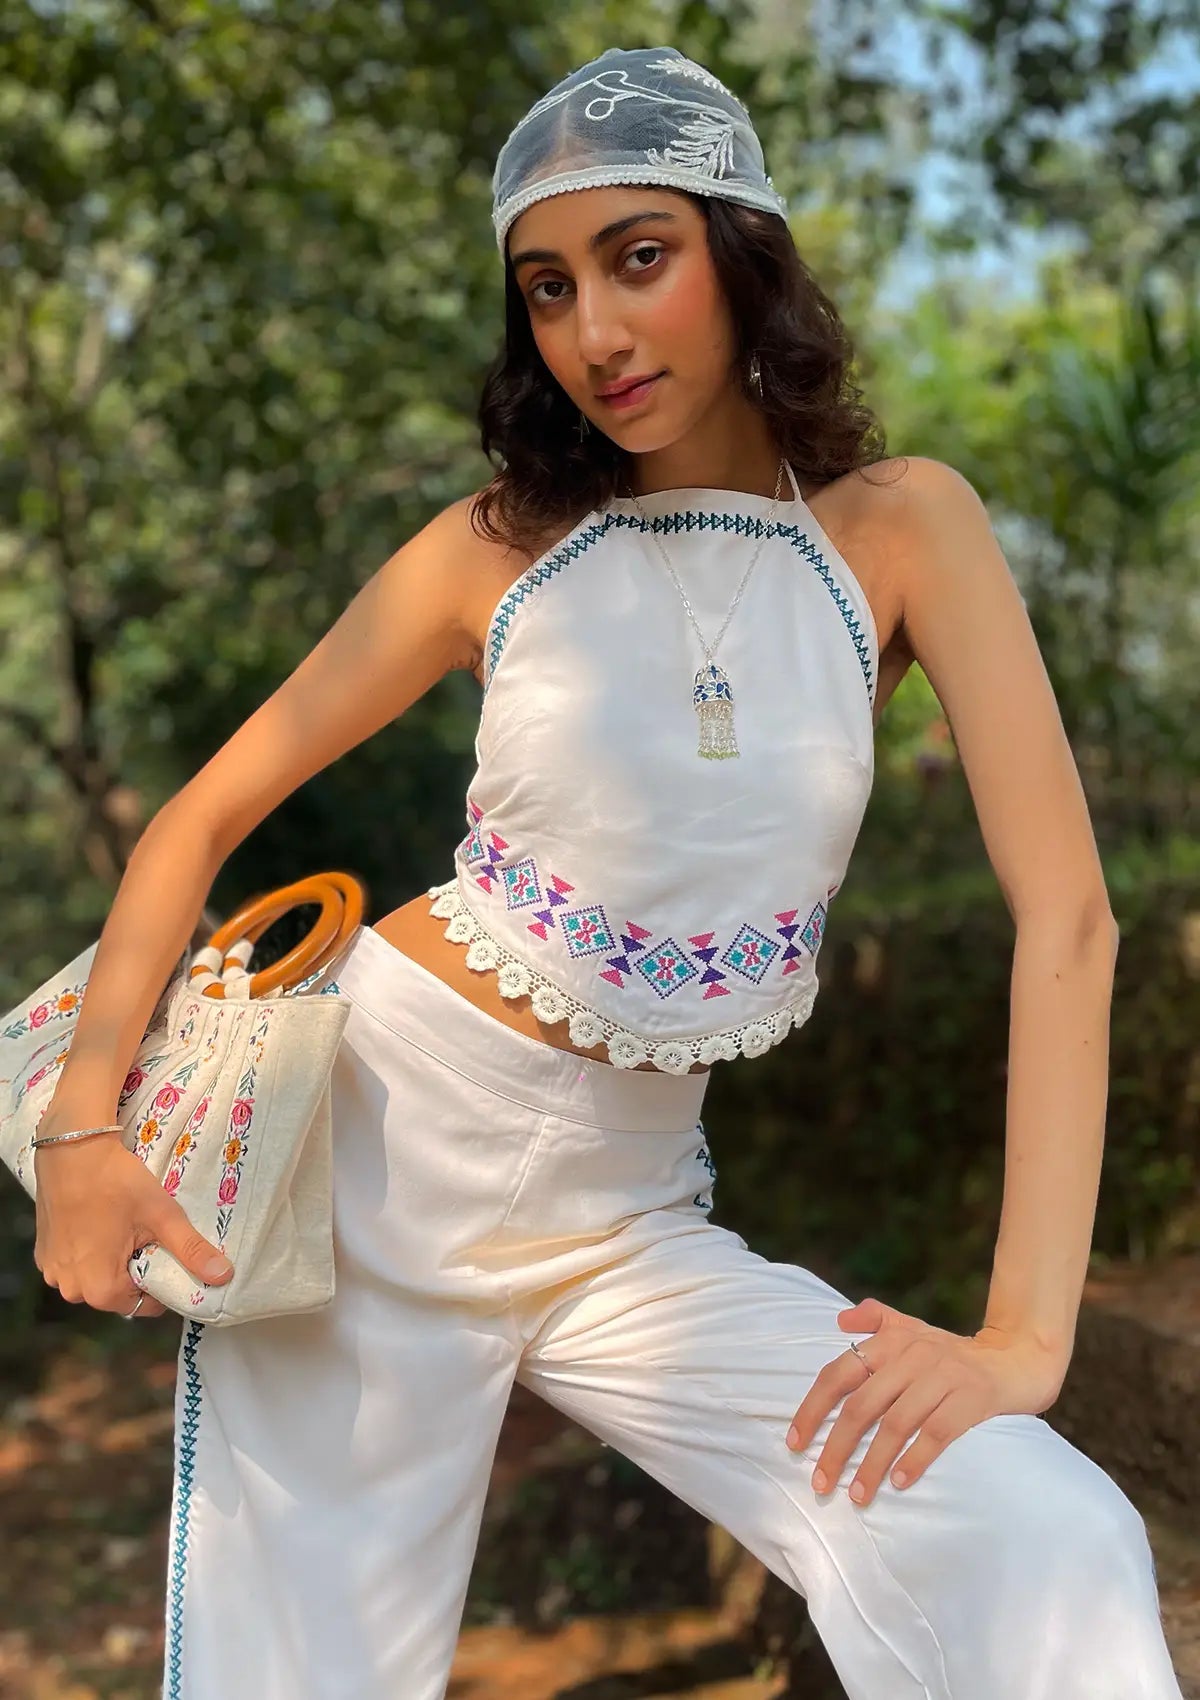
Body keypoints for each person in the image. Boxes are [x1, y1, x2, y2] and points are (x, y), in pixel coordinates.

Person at [29, 45, 1183, 1700]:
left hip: (629, 1223)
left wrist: (1023, 1339)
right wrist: (81, 1130)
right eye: (550, 288)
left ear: (742, 250)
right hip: (362, 1186)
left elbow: (1069, 920)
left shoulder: (902, 527)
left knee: (1036, 1533)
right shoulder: (494, 548)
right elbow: (196, 819)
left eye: (641, 258)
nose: (596, 332)